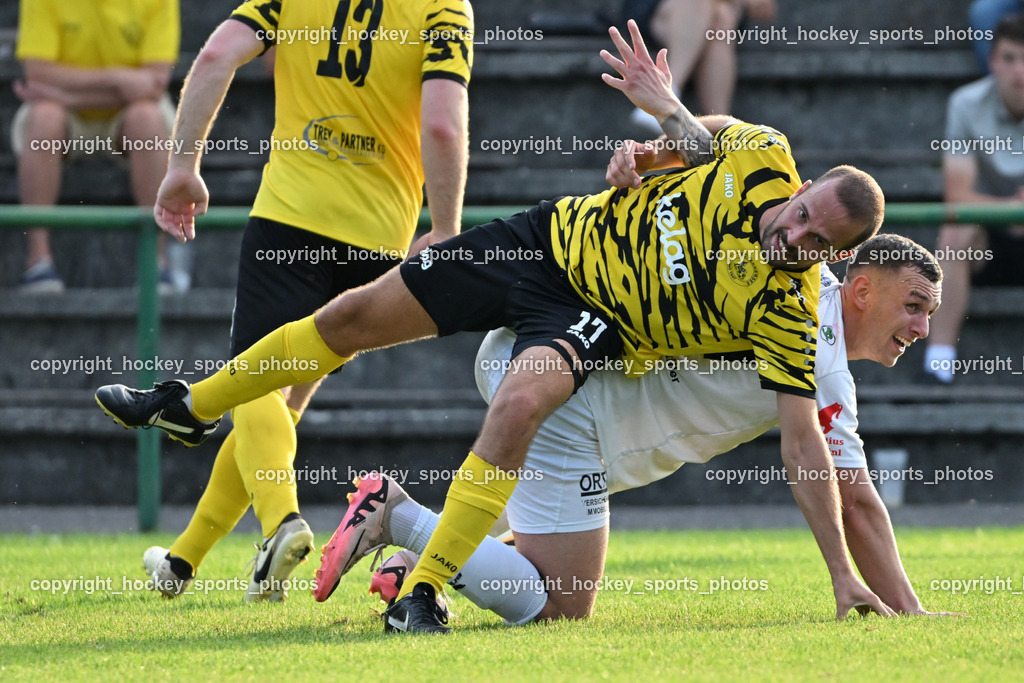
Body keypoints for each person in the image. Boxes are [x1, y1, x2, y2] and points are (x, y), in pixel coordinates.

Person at [96, 20, 888, 631]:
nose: (797, 238)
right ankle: (192, 405)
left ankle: (423, 589)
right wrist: (651, 146)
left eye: (820, 243)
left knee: (519, 406)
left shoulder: (787, 313)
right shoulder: (766, 156)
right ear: (803, 186)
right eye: (804, 216)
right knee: (350, 314)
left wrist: (840, 575)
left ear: (838, 260)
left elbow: (801, 444)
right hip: (546, 239)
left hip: (595, 318)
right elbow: (706, 141)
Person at [319, 233, 947, 624]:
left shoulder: (794, 270)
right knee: (562, 603)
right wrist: (913, 615)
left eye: (930, 313)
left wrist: (650, 152)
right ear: (862, 290)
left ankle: (415, 562)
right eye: (913, 306)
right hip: (570, 395)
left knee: (537, 550)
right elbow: (858, 503)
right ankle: (394, 512)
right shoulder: (825, 361)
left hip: (543, 356)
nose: (921, 328)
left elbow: (722, 171)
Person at [134, 0, 473, 602]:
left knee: (254, 388)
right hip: (376, 240)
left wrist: (183, 166)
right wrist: (445, 226)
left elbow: (215, 56)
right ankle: (182, 561)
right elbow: (443, 124)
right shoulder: (445, 6)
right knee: (277, 406)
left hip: (288, 222)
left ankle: (281, 521)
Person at [12, 0, 184, 293]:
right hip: (68, 112)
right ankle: (38, 263)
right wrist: (120, 79)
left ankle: (158, 264)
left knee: (146, 117)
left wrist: (66, 94)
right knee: (43, 118)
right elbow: (38, 72)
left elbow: (153, 85)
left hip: (111, 109)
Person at [924, 13, 1024, 384]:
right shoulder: (965, 104)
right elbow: (957, 197)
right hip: (991, 243)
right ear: (991, 61)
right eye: (1010, 58)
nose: (1019, 71)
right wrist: (1011, 210)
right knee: (954, 233)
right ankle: (938, 364)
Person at [623, 0, 777, 131]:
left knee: (722, 15)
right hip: (659, 9)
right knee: (718, 13)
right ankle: (723, 131)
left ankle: (666, 99)